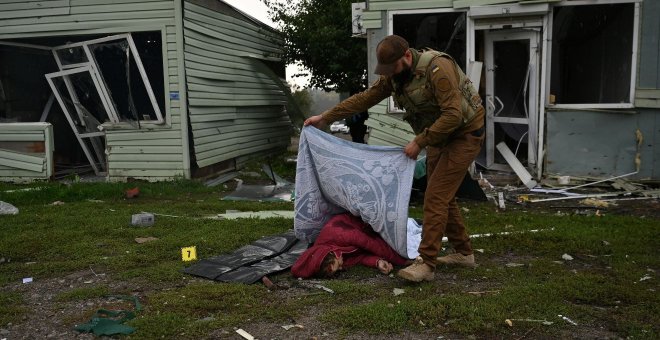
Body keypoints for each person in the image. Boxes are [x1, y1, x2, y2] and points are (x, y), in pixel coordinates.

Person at [304, 35, 485, 282]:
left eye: (394, 68)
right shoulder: (395, 75)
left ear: (407, 57)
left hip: (465, 133)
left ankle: (426, 263)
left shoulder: (437, 68)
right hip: (440, 137)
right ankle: (464, 253)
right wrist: (326, 117)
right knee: (441, 195)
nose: (390, 74)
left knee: (435, 197)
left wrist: (420, 141)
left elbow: (453, 115)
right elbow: (364, 98)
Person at [291, 213, 408, 278]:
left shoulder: (340, 234)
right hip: (370, 232)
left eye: (338, 266)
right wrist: (377, 262)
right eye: (339, 269)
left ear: (333, 255)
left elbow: (373, 245)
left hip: (368, 221)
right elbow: (360, 258)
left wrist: (402, 260)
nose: (342, 267)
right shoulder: (335, 254)